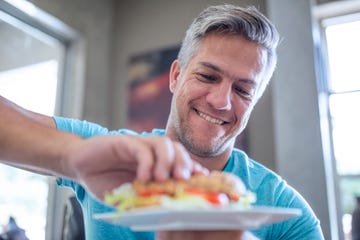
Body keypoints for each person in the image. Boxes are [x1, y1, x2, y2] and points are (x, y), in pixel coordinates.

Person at [0, 4, 324, 240]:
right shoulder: (112, 154)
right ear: (175, 76)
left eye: (242, 89)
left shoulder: (287, 214)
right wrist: (71, 157)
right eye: (208, 76)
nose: (221, 101)